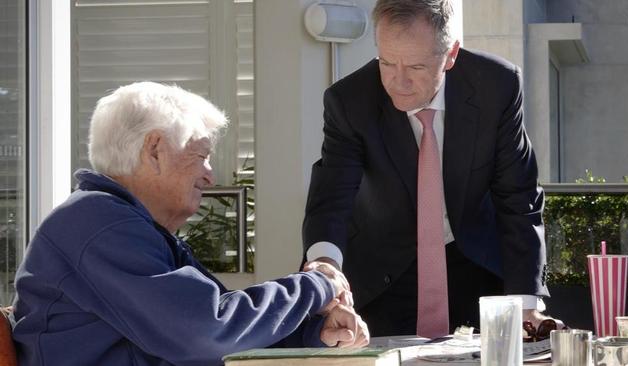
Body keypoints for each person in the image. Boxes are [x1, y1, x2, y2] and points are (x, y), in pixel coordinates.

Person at [12, 82, 368, 366]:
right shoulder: (97, 222)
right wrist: (317, 284)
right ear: (154, 150)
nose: (210, 176)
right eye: (201, 156)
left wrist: (315, 333)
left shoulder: (128, 224)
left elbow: (225, 327)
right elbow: (205, 331)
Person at [303, 0, 560, 337]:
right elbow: (332, 197)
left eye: (416, 67)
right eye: (387, 62)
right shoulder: (349, 101)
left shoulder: (496, 86)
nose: (399, 81)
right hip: (382, 271)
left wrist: (526, 302)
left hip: (473, 261)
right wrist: (325, 269)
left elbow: (518, 197)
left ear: (450, 54)